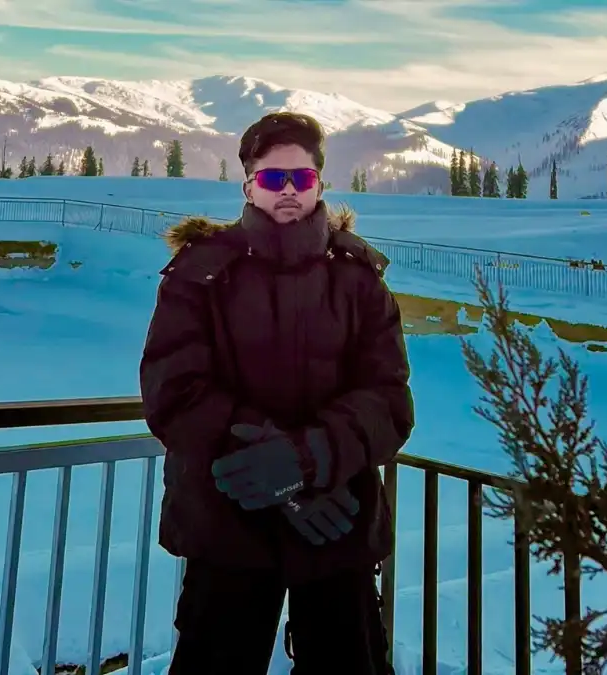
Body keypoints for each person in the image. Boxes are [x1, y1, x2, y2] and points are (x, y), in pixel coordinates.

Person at [140, 111, 414, 675]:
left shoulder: (359, 280)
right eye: (272, 177)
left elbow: (388, 399)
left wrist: (305, 462)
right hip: (228, 529)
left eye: (301, 177)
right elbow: (174, 392)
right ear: (249, 187)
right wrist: (280, 480)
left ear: (319, 184)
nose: (288, 189)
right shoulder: (200, 275)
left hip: (336, 523)